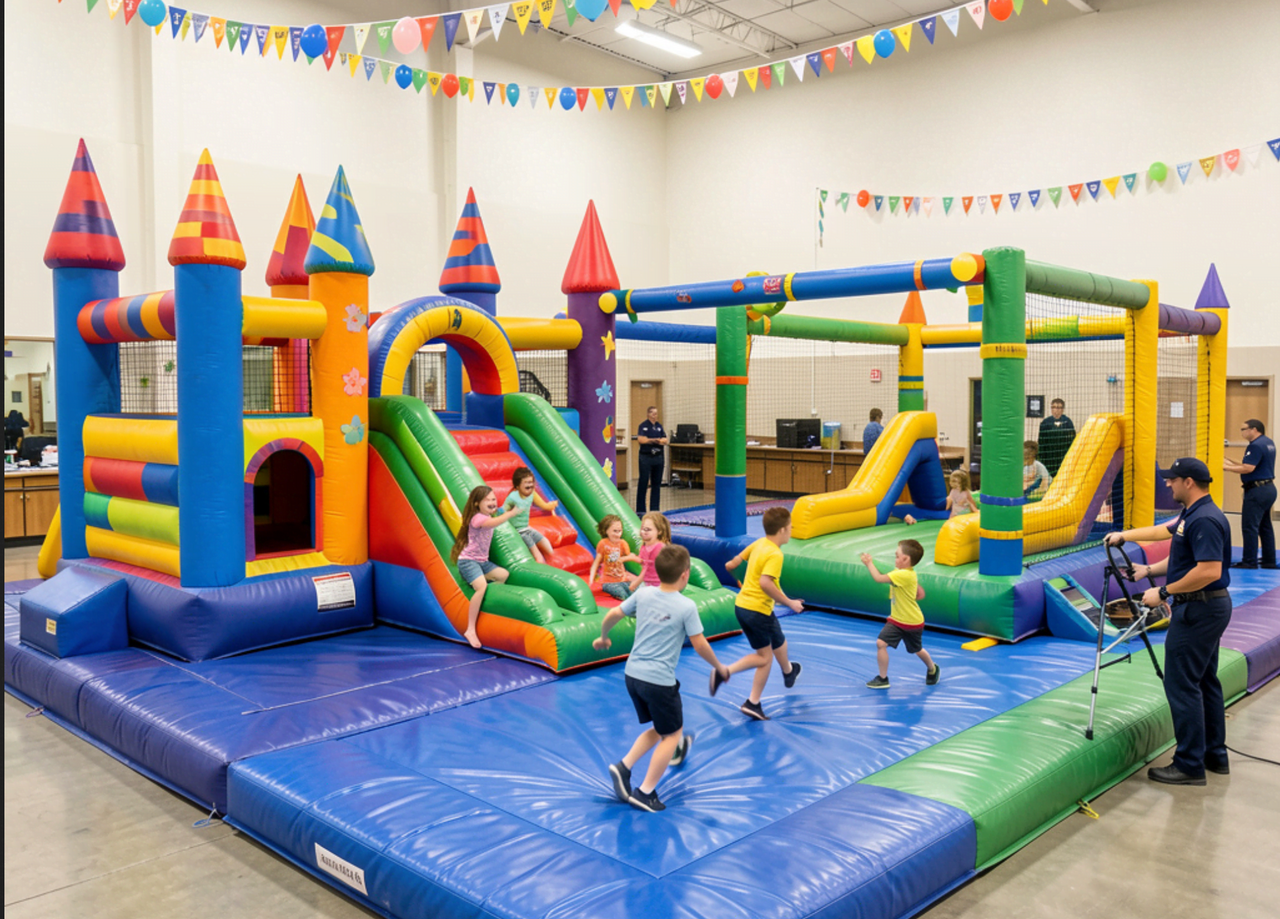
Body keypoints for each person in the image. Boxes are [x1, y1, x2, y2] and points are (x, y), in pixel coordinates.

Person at [1105, 457, 1232, 785]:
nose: (1167, 484)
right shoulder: (1194, 513)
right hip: (1206, 608)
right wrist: (1142, 559)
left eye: (1172, 479)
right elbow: (1172, 543)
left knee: (1181, 684)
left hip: (1199, 609)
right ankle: (1214, 754)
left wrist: (1162, 593)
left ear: (1188, 482)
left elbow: (1208, 571)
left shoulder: (1205, 519)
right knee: (1205, 681)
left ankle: (1189, 764)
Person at [594, 545, 730, 813]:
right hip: (658, 681)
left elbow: (612, 614)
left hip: (632, 675)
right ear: (685, 575)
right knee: (672, 734)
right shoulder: (686, 605)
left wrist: (603, 636)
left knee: (660, 728)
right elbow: (700, 644)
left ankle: (623, 768)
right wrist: (719, 666)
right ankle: (645, 793)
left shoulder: (643, 594)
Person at [716, 506, 803, 721]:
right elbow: (766, 582)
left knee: (777, 637)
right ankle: (751, 700)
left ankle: (788, 670)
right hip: (757, 610)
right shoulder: (775, 554)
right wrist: (790, 603)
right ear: (783, 530)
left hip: (743, 606)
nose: (791, 530)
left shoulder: (759, 543)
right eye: (790, 527)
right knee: (764, 659)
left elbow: (733, 562)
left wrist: (732, 566)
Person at [860, 540, 939, 689]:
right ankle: (883, 678)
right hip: (896, 620)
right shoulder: (902, 573)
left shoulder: (904, 575)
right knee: (881, 643)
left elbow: (878, 578)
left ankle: (932, 668)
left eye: (897, 556)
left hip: (912, 622)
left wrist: (869, 563)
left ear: (906, 559)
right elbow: (916, 592)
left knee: (916, 650)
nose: (895, 559)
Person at [451, 485, 522, 649]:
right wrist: (510, 513)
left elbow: (495, 519)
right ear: (477, 504)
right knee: (481, 586)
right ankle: (470, 629)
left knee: (503, 575)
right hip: (468, 561)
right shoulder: (477, 518)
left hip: (482, 561)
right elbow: (493, 522)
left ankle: (488, 607)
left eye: (493, 499)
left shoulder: (487, 515)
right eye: (487, 500)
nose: (492, 502)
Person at [1224, 419, 1276, 569]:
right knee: (1265, 526)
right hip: (1268, 489)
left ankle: (1249, 561)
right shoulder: (1267, 442)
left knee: (1250, 526)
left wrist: (1226, 467)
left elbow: (1248, 468)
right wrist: (1229, 461)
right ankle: (1269, 560)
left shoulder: (1255, 446)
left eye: (1244, 429)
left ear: (1254, 429)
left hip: (1257, 491)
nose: (1242, 432)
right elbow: (1248, 463)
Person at [503, 467, 559, 564]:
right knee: (538, 557)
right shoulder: (513, 497)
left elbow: (544, 505)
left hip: (527, 528)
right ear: (518, 485)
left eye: (531, 482)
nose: (530, 486)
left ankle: (553, 566)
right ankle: (543, 571)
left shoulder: (531, 493)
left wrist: (552, 505)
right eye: (526, 483)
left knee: (547, 545)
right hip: (519, 531)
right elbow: (503, 512)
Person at [589, 515, 639, 601]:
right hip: (608, 582)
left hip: (623, 580)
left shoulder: (623, 543)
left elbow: (629, 556)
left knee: (636, 593)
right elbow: (596, 562)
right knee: (623, 594)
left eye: (620, 531)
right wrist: (591, 580)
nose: (618, 534)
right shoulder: (603, 544)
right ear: (606, 531)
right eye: (615, 531)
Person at [626, 512, 670, 594]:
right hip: (648, 583)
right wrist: (632, 557)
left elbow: (647, 570)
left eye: (648, 530)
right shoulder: (645, 547)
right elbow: (643, 563)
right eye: (643, 529)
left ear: (659, 531)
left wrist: (636, 582)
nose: (644, 532)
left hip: (659, 585)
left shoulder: (659, 547)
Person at [636, 405, 668, 514]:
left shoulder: (659, 426)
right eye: (653, 413)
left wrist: (655, 440)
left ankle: (655, 510)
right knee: (643, 482)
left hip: (658, 458)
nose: (655, 416)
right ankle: (640, 510)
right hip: (646, 458)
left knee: (656, 484)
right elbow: (641, 440)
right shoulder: (643, 426)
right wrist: (655, 440)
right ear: (648, 414)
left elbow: (665, 440)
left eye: (656, 413)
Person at [1038, 399, 1076, 478]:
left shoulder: (1067, 422)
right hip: (1049, 458)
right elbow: (1041, 442)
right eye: (1053, 407)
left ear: (1062, 409)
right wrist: (1042, 459)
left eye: (1058, 408)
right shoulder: (1045, 422)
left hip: (1063, 457)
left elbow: (1072, 441)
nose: (1056, 410)